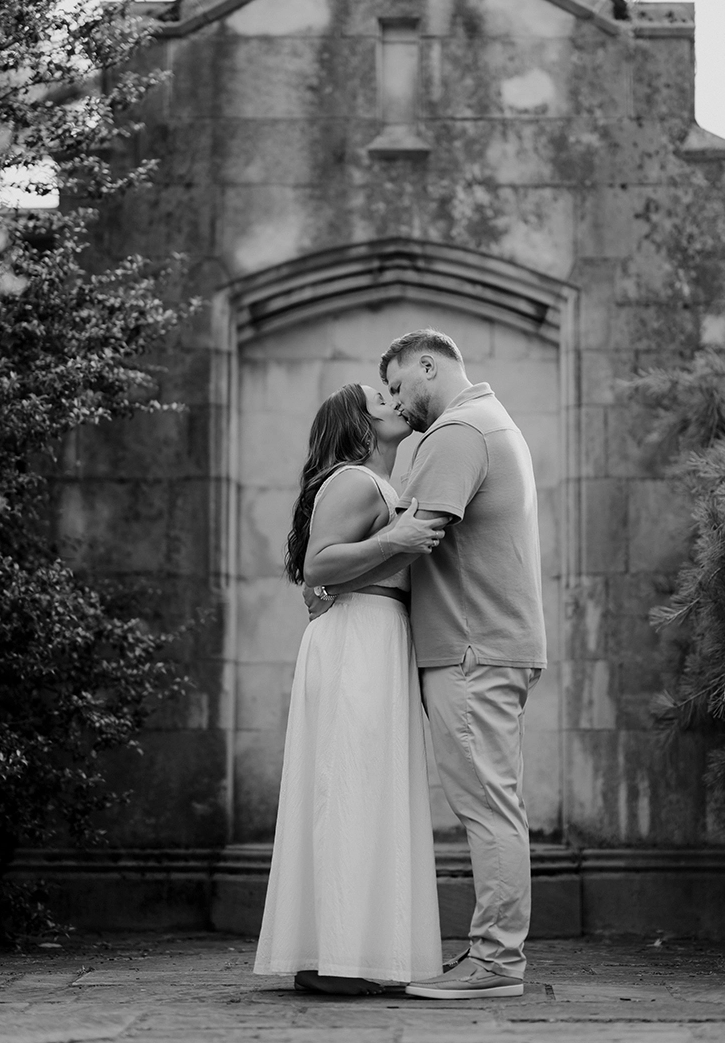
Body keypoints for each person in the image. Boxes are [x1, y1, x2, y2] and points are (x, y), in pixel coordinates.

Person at [315, 328, 548, 999]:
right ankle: (493, 957)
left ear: (427, 365)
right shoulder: (489, 423)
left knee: (487, 808)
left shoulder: (458, 431)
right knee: (495, 802)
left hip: (471, 649)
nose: (393, 400)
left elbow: (413, 538)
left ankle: (496, 965)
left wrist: (326, 582)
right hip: (488, 645)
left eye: (396, 384)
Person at [254, 383, 447, 994]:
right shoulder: (354, 481)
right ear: (359, 424)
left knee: (367, 788)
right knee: (349, 786)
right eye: (379, 398)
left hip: (378, 633)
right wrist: (398, 540)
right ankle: (337, 956)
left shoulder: (385, 483)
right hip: (357, 638)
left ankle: (355, 952)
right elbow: (319, 566)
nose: (394, 401)